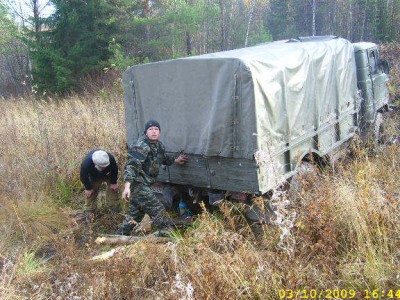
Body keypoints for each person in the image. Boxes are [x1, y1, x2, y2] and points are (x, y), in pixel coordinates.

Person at [116, 120, 187, 236]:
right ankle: (167, 234)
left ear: (159, 132)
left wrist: (175, 160)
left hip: (145, 184)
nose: (154, 131)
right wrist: (127, 187)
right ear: (146, 132)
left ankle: (119, 236)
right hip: (138, 184)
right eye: (151, 129)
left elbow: (163, 158)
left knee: (134, 217)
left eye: (156, 129)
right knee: (158, 209)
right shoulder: (141, 146)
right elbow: (131, 166)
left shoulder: (158, 145)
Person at [80, 150, 119, 218]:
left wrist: (113, 182)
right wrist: (88, 188)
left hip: (108, 174)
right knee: (91, 192)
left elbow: (115, 169)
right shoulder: (86, 163)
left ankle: (114, 209)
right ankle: (89, 210)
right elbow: (83, 176)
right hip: (94, 176)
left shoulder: (110, 158)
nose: (103, 167)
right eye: (102, 166)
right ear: (94, 162)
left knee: (113, 189)